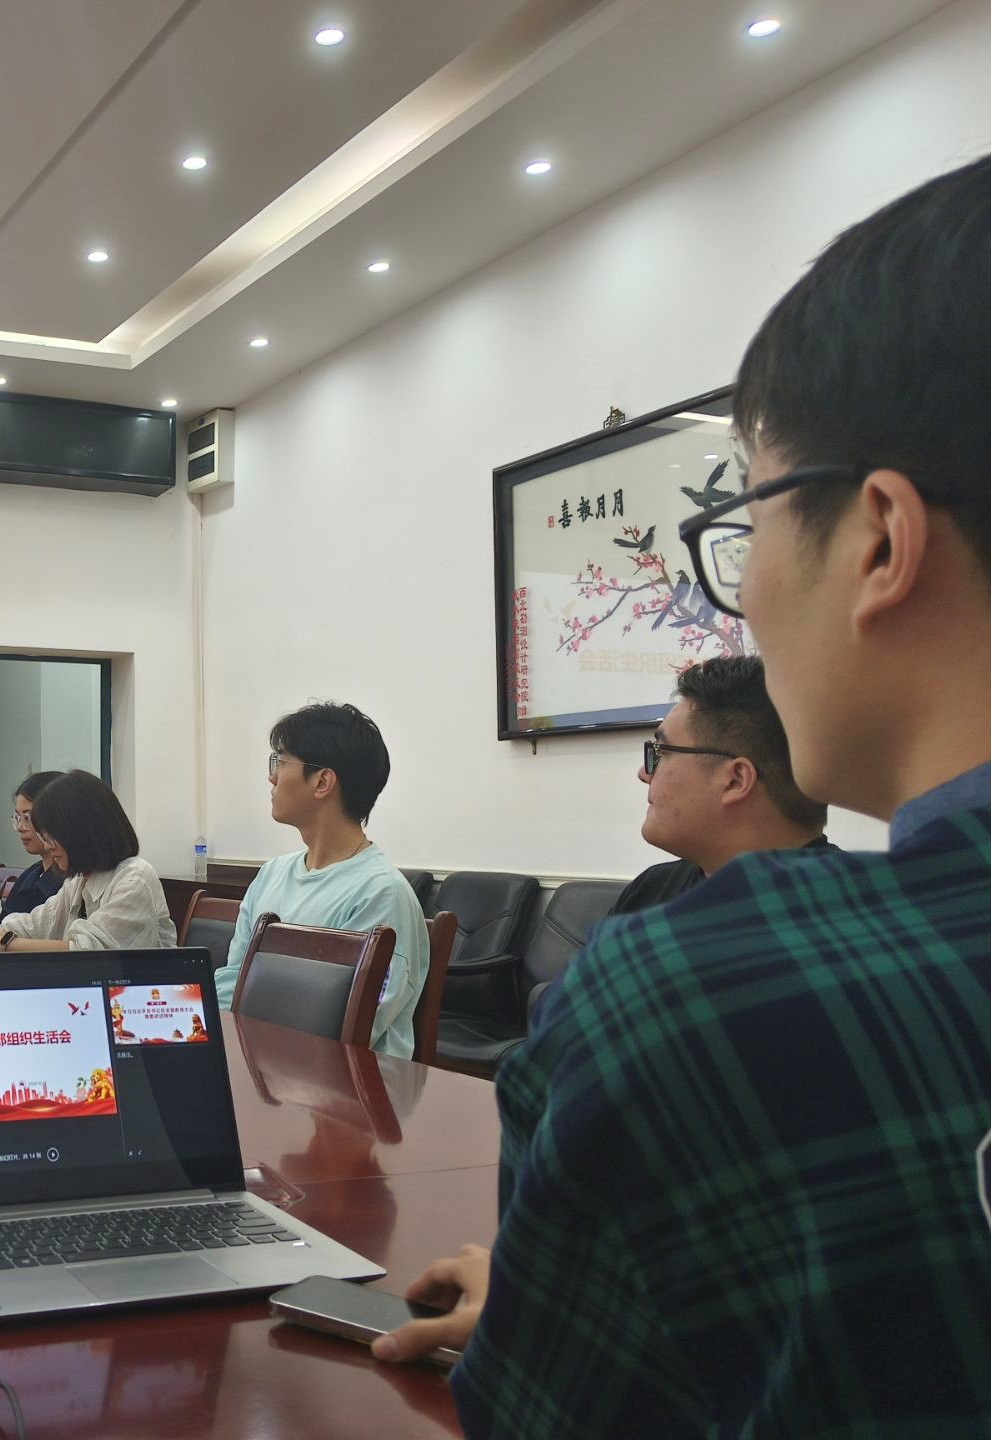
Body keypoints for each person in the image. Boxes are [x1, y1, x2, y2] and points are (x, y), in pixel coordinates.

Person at [378, 157, 991, 1437]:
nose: (746, 593)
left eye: (750, 527)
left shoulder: (687, 1004)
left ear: (881, 539)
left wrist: (551, 1309)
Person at [215, 703, 427, 1059]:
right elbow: (231, 982)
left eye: (281, 762)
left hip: (345, 1082)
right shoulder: (272, 874)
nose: (271, 778)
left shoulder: (380, 893)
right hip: (259, 1066)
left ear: (322, 782)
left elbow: (352, 1023)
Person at [612, 653, 834, 914]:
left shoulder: (848, 910)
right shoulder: (650, 890)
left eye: (661, 752)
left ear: (735, 781)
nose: (644, 774)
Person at [0, 770, 174, 952]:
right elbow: (36, 924)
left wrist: (0, 942)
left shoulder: (134, 878)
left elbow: (90, 952)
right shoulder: (79, 880)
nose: (48, 845)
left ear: (81, 831)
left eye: (51, 835)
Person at [0, 771, 66, 919]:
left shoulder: (69, 881)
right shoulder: (30, 875)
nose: (20, 827)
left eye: (28, 818)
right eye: (18, 817)